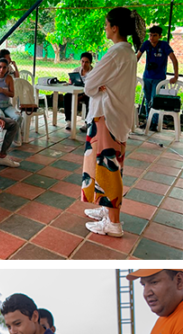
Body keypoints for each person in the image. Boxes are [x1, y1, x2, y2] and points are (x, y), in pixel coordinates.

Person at [82, 8, 145, 238]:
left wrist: (97, 85)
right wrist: (100, 85)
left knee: (109, 169)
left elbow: (89, 85)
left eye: (107, 25)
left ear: (115, 27)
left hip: (106, 117)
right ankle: (106, 211)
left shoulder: (116, 52)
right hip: (116, 117)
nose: (105, 28)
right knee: (109, 167)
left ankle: (114, 223)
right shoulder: (127, 52)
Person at [137, 26, 179, 130]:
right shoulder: (146, 44)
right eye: (150, 35)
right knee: (147, 100)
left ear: (160, 36)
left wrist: (176, 75)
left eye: (154, 35)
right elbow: (137, 57)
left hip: (159, 78)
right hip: (147, 76)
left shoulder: (164, 45)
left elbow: (174, 59)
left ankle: (154, 123)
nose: (152, 37)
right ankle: (148, 121)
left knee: (155, 100)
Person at [64, 53, 93, 131]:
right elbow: (72, 83)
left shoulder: (93, 73)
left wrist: (81, 96)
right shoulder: (76, 70)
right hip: (77, 91)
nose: (84, 64)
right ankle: (69, 121)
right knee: (67, 96)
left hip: (88, 93)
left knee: (89, 100)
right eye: (82, 61)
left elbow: (92, 88)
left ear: (90, 63)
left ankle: (87, 123)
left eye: (86, 62)